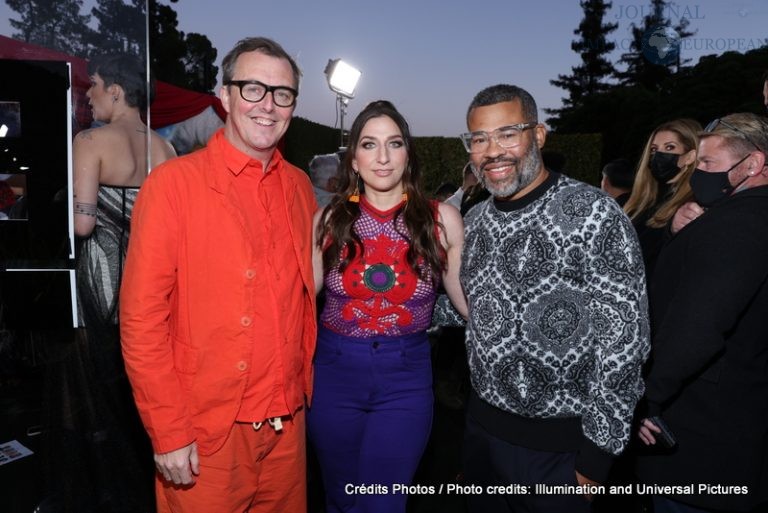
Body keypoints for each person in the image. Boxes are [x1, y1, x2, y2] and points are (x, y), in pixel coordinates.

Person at [120, 37, 317, 513]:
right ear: (224, 96)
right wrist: (168, 431)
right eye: (252, 88)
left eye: (282, 93)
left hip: (288, 427)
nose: (267, 105)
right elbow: (142, 320)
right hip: (206, 432)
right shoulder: (171, 185)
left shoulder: (300, 186)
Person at [434, 84, 649, 513]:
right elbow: (472, 310)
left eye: (508, 133)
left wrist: (595, 462)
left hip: (561, 452)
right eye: (479, 139)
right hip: (481, 434)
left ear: (539, 136)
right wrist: (398, 307)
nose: (492, 151)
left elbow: (624, 344)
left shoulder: (593, 212)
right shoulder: (473, 221)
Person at [308, 100, 468, 513]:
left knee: (382, 504)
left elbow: (469, 304)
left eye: (394, 144)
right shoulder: (329, 219)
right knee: (341, 500)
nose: (382, 157)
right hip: (333, 376)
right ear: (354, 161)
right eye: (369, 144)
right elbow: (300, 298)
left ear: (408, 155)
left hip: (406, 380)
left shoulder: (441, 219)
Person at [54, 52, 175, 513]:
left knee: (85, 390)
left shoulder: (91, 140)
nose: (89, 94)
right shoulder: (166, 150)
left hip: (98, 284)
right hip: (148, 283)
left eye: (96, 85)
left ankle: (91, 492)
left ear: (118, 92)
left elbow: (81, 227)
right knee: (133, 388)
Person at [636, 113, 768, 513]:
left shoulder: (737, 225)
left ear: (753, 165)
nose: (699, 175)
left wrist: (647, 398)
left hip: (702, 440)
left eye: (709, 164)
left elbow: (697, 328)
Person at [623, 119, 700, 280]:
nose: (658, 155)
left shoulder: (691, 205)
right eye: (653, 149)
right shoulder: (638, 202)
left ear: (690, 156)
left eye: (670, 147)